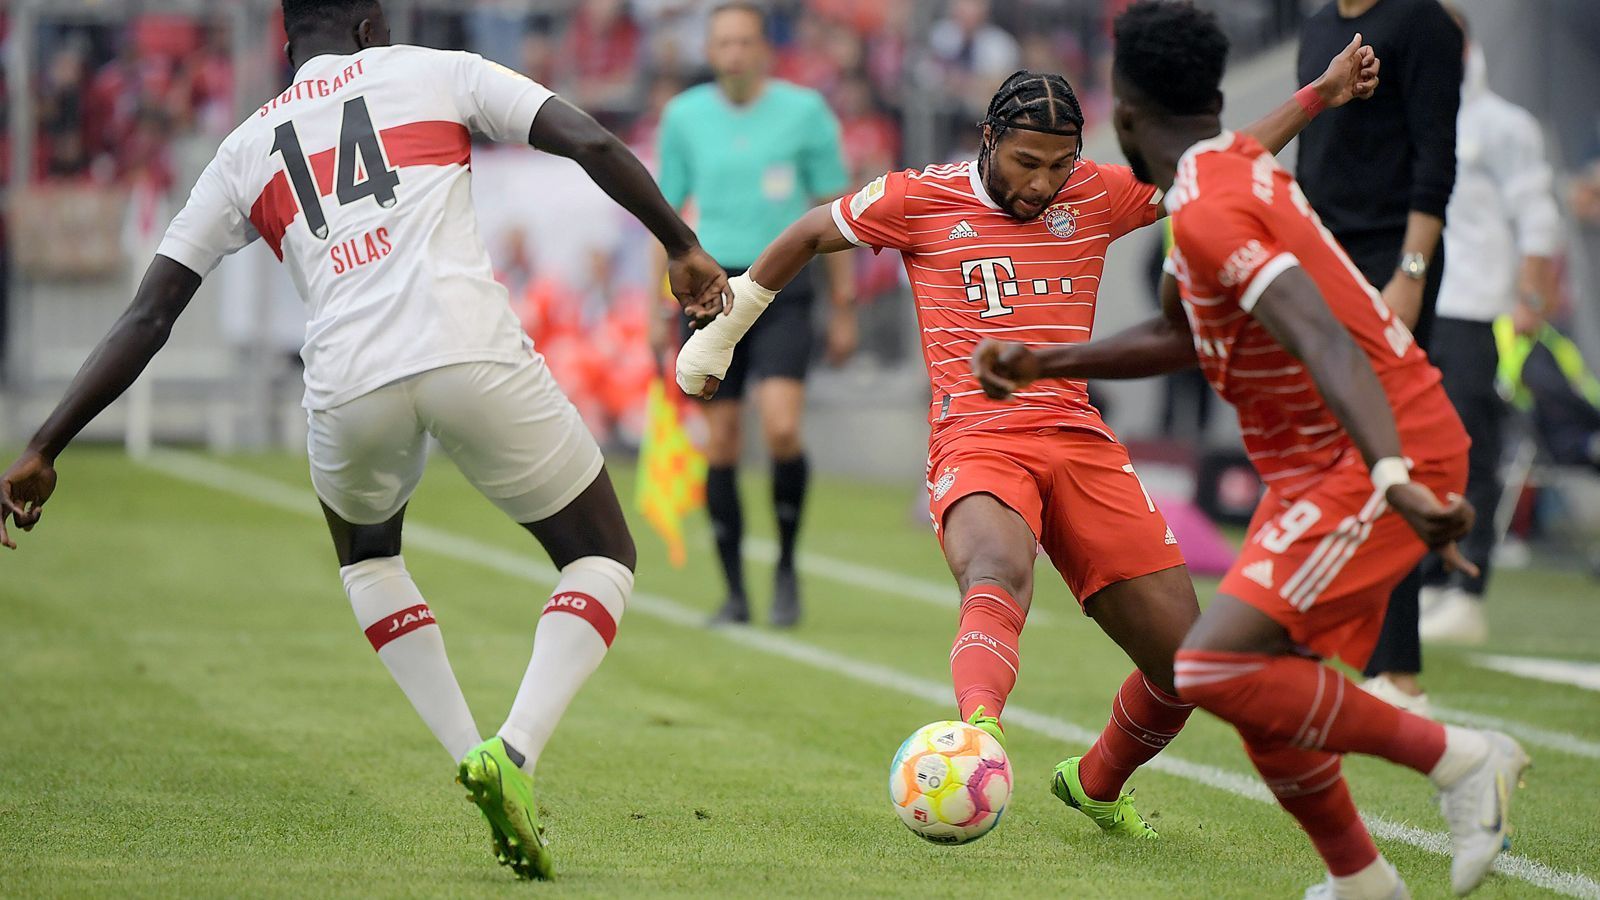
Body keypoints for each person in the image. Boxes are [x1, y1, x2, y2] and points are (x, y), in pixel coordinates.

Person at [0, 0, 730, 882]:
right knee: (602, 554)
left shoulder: (245, 148)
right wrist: (681, 247)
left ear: (286, 40)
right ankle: (517, 753)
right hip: (469, 351)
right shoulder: (437, 70)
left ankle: (468, 749)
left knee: (370, 559)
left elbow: (150, 313)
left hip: (347, 383)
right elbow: (589, 142)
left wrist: (45, 444)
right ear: (370, 27)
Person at [676, 37, 1380, 839]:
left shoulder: (1099, 192)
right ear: (987, 139)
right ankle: (980, 736)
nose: (1043, 183)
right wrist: (725, 331)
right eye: (1025, 162)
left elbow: (1222, 162)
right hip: (977, 437)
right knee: (996, 570)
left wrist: (1320, 94)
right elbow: (806, 231)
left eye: (1058, 163)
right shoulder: (918, 197)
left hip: (1079, 439)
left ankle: (1096, 783)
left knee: (1187, 668)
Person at [972, 3, 1526, 895]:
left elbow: (1328, 341)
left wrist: (1395, 478)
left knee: (1213, 665)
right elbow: (1179, 334)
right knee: (1244, 675)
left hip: (1379, 454)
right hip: (1324, 464)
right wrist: (1046, 360)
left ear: (1122, 114)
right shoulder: (1217, 173)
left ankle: (1462, 760)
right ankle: (1362, 882)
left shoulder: (1211, 210)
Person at [650, 1, 856, 628]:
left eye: (745, 41)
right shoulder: (684, 117)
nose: (734, 53)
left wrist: (843, 305)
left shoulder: (804, 112)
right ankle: (735, 592)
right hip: (712, 291)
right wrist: (652, 305)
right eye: (723, 43)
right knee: (722, 442)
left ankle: (787, 568)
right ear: (710, 52)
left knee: (783, 428)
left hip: (784, 288)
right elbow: (665, 218)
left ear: (765, 48)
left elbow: (834, 212)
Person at [1297, 0, 1464, 714]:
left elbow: (1436, 159)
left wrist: (1411, 274)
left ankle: (1398, 670)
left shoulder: (1422, 23)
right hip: (1319, 258)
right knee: (1322, 454)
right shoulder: (1315, 26)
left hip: (1390, 259)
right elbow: (1313, 157)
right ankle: (1317, 639)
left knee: (1391, 449)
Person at [1420, 4, 1561, 645]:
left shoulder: (1503, 124)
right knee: (1420, 447)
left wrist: (1530, 299)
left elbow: (1538, 215)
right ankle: (1426, 577)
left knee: (1471, 447)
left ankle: (1468, 588)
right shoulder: (1419, 113)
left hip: (1482, 309)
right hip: (1424, 301)